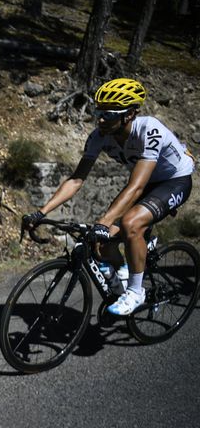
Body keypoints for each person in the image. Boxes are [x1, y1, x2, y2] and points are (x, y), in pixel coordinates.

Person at [22, 78, 195, 315]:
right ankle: (127, 267)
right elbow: (76, 179)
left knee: (130, 223)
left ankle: (136, 292)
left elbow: (135, 187)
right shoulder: (99, 136)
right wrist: (41, 212)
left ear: (130, 114)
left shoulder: (149, 129)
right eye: (98, 112)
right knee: (100, 244)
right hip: (146, 183)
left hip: (175, 180)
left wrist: (104, 221)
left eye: (110, 114)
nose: (101, 119)